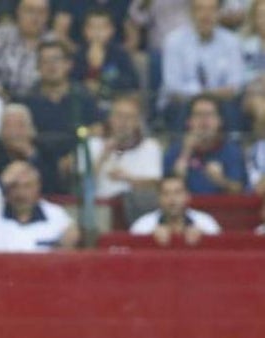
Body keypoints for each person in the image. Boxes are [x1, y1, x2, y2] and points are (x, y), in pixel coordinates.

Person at [22, 40, 101, 193]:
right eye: (45, 61)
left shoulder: (83, 96)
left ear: (68, 64)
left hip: (75, 158)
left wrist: (75, 156)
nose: (51, 66)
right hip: (38, 159)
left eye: (56, 60)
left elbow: (98, 129)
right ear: (37, 67)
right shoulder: (27, 100)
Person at [160, 0, 246, 131]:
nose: (206, 15)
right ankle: (180, 149)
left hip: (221, 104)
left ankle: (231, 150)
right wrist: (203, 97)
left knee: (230, 110)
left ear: (219, 13)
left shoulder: (231, 41)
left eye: (211, 9)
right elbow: (173, 87)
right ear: (191, 13)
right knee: (185, 110)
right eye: (200, 9)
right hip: (183, 103)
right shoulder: (174, 41)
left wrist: (207, 97)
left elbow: (235, 85)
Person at [0, 159, 79, 250]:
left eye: (27, 186)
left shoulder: (56, 215)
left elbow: (71, 240)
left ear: (38, 187)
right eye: (14, 186)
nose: (21, 193)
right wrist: (2, 181)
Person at [162, 93, 248, 194]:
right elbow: (166, 194)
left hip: (221, 208)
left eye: (210, 114)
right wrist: (186, 152)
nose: (204, 120)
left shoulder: (232, 151)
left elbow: (240, 191)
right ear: (189, 122)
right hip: (186, 208)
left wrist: (221, 180)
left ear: (220, 121)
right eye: (198, 115)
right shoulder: (174, 151)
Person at [0, 103, 64, 194]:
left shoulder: (45, 150)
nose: (14, 132)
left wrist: (31, 155)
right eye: (8, 126)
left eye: (20, 125)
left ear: (31, 129)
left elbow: (54, 185)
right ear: (1, 130)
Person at [87, 93, 162, 199]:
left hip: (137, 208)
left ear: (137, 122)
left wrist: (128, 179)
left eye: (129, 117)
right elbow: (82, 187)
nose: (123, 122)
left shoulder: (150, 146)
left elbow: (155, 185)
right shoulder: (93, 144)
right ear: (110, 119)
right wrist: (103, 155)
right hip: (101, 207)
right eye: (119, 116)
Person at [0, 0, 53, 100]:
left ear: (47, 16)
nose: (35, 17)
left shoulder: (52, 42)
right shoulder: (2, 35)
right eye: (30, 11)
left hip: (37, 102)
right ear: (18, 12)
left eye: (41, 12)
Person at [72, 8, 140, 105]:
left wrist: (101, 78)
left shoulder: (120, 54)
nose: (97, 32)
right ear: (85, 31)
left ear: (111, 30)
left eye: (102, 27)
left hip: (114, 103)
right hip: (85, 104)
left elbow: (131, 82)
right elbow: (73, 81)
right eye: (92, 27)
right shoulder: (78, 55)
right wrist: (93, 69)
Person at [128, 174, 221, 243]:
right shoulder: (142, 226)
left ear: (187, 196)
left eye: (178, 193)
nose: (172, 199)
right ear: (159, 198)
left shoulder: (206, 222)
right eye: (166, 194)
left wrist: (204, 239)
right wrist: (150, 239)